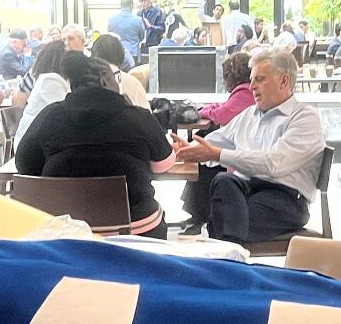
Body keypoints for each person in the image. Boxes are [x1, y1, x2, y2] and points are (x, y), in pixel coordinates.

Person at [16, 53, 176, 239]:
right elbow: (164, 164)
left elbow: (25, 165)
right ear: (105, 80)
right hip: (137, 229)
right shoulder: (137, 116)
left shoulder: (50, 116)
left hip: (67, 231)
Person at [171, 51, 325, 244]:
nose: (252, 86)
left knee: (222, 216)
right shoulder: (250, 115)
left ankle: (226, 254)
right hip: (246, 191)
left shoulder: (304, 117)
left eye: (259, 79)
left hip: (286, 200)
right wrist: (189, 150)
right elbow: (215, 141)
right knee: (224, 181)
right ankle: (231, 255)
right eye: (252, 80)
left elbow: (273, 164)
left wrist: (217, 155)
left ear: (284, 82)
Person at [179, 52, 258, 236]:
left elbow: (222, 114)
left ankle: (200, 215)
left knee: (204, 165)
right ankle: (198, 215)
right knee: (203, 149)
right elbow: (222, 108)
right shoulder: (243, 93)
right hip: (239, 152)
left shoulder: (245, 92)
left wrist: (205, 110)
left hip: (242, 163)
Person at [14, 41, 69, 143]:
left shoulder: (42, 76)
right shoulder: (50, 80)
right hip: (34, 144)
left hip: (41, 137)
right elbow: (65, 114)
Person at [91, 33, 149, 108]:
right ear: (121, 56)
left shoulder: (82, 82)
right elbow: (146, 115)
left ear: (93, 56)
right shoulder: (132, 83)